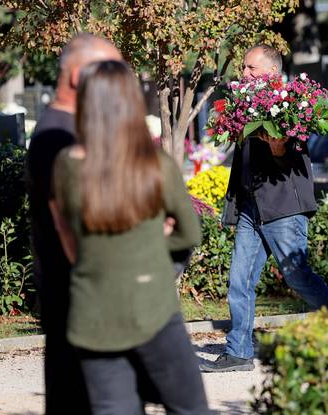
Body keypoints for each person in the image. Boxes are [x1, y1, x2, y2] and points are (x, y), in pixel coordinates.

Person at [49, 60, 210, 415]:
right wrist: (151, 240)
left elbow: (70, 241)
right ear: (132, 103)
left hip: (93, 313)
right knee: (190, 408)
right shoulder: (156, 166)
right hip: (150, 304)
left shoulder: (66, 166)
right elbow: (190, 231)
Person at [200, 45, 328, 373]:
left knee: (298, 277)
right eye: (244, 67)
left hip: (283, 207)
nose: (244, 73)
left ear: (272, 73)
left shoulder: (291, 104)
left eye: (251, 68)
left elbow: (290, 155)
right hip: (251, 206)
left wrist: (279, 147)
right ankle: (238, 352)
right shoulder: (245, 104)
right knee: (239, 280)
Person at [25, 33, 122, 414]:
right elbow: (70, 228)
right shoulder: (57, 134)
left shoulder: (68, 127)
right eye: (111, 71)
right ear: (80, 75)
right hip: (77, 299)